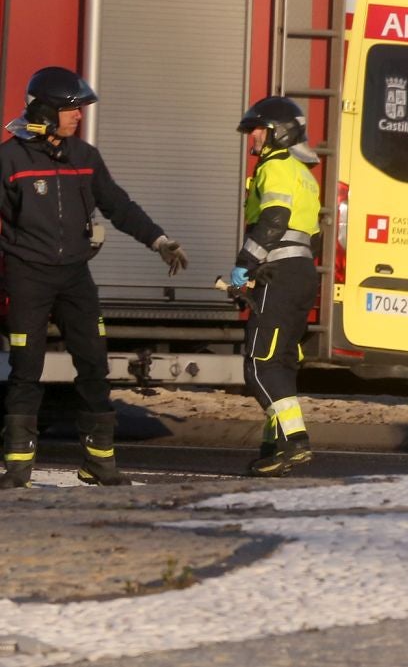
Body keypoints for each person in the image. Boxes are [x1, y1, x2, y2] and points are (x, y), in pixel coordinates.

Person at [2, 67, 187, 489]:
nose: (78, 116)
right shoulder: (9, 160)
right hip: (27, 277)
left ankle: (100, 464)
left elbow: (118, 205)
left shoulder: (84, 158)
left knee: (93, 367)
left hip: (75, 279)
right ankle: (17, 470)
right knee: (25, 370)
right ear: (45, 111)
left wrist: (158, 240)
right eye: (71, 109)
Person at [230, 96, 323, 477]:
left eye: (257, 129)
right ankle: (275, 446)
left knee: (260, 365)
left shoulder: (276, 168)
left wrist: (245, 264)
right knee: (281, 363)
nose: (251, 135)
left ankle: (295, 442)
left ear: (276, 133)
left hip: (279, 275)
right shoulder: (304, 173)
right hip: (300, 273)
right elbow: (311, 237)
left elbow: (273, 220)